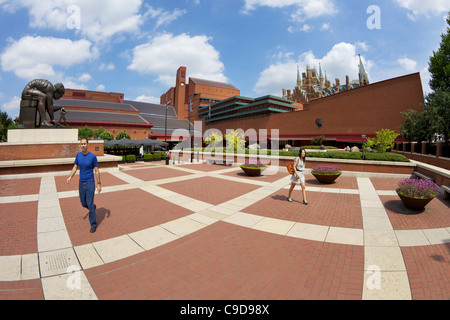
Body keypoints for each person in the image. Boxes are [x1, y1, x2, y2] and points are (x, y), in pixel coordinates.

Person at [67, 137, 102, 233]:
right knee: (83, 203)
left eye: (84, 144)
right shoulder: (78, 155)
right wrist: (70, 176)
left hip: (90, 182)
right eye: (81, 144)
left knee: (90, 204)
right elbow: (75, 167)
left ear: (87, 144)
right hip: (81, 183)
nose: (83, 145)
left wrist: (99, 184)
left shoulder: (92, 157)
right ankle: (92, 207)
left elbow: (96, 170)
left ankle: (93, 224)